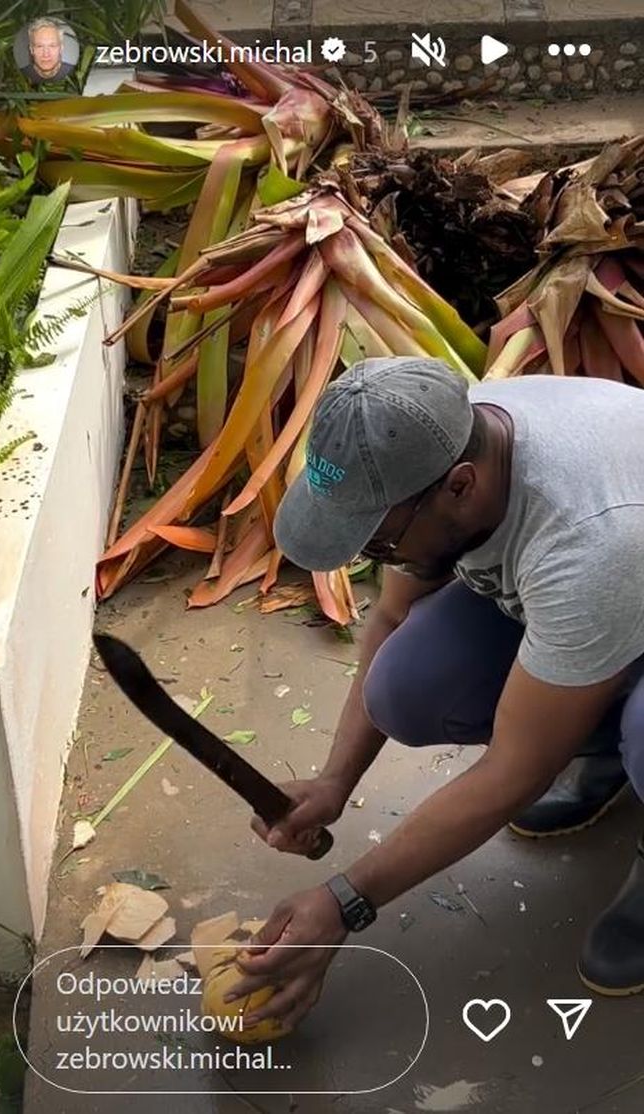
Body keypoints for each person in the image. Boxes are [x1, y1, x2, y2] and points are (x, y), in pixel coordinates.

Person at [226, 356, 644, 1036]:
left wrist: (344, 902)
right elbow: (391, 619)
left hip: (623, 564)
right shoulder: (428, 435)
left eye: (381, 543)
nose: (376, 559)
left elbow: (515, 769)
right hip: (611, 597)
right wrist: (335, 781)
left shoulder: (590, 540)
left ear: (460, 487)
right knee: (404, 686)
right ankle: (599, 740)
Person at [20, 18, 75, 84]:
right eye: (39, 46)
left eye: (52, 46)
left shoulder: (73, 73)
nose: (46, 54)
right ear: (31, 49)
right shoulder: (21, 75)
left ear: (61, 48)